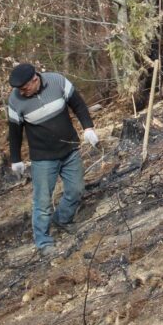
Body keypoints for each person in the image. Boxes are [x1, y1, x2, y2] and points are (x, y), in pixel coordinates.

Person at [6, 63, 98, 258]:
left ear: (34, 79)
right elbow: (14, 132)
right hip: (43, 157)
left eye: (24, 88)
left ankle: (63, 219)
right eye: (19, 90)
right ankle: (43, 241)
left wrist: (88, 127)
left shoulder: (57, 81)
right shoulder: (15, 100)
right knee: (42, 201)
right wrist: (16, 159)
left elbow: (78, 104)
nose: (22, 92)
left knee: (76, 189)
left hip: (69, 148)